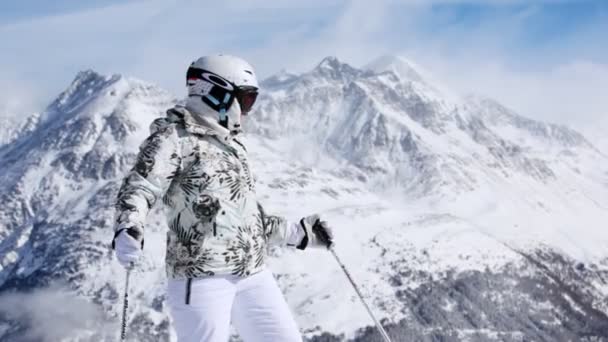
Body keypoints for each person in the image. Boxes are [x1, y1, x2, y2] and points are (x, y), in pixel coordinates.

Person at [111, 54, 334, 342]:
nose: (247, 109)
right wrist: (129, 226)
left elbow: (243, 214)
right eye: (245, 99)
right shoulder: (173, 139)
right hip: (202, 276)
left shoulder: (232, 145)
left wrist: (297, 234)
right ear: (215, 92)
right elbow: (139, 187)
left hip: (252, 271)